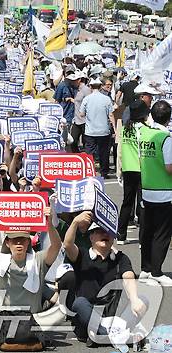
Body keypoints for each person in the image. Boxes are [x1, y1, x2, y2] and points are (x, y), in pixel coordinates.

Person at [0, 208, 66, 340]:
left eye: (22, 240)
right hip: (4, 317)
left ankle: (23, 332)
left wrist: (49, 223)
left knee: (61, 313)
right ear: (7, 243)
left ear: (28, 242)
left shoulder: (38, 260)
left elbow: (56, 246)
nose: (18, 243)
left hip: (32, 319)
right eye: (14, 240)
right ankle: (6, 331)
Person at [63, 212, 147, 346]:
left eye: (108, 232)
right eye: (99, 231)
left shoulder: (120, 257)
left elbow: (128, 276)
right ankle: (112, 336)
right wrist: (75, 223)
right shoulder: (82, 255)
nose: (105, 234)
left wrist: (135, 299)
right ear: (91, 237)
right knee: (79, 303)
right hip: (89, 316)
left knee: (143, 299)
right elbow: (67, 245)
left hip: (114, 317)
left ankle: (103, 336)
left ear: (113, 238)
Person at [138, 99, 172, 286]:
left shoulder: (144, 133)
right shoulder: (165, 137)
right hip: (164, 192)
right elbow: (169, 168)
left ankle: (146, 268)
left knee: (148, 232)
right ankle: (157, 272)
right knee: (162, 234)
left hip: (147, 189)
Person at [117, 100, 148, 244]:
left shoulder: (125, 128)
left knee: (127, 202)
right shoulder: (143, 129)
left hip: (128, 169)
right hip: (141, 169)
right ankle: (143, 239)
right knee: (142, 203)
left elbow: (120, 151)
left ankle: (121, 235)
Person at [80, 77, 114, 178]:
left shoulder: (87, 99)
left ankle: (89, 171)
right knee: (104, 153)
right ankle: (104, 172)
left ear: (90, 86)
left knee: (89, 152)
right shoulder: (106, 99)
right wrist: (115, 129)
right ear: (100, 87)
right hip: (104, 130)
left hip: (90, 130)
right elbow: (111, 115)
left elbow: (81, 114)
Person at [69, 72, 92, 153]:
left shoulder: (86, 90)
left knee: (87, 142)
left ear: (79, 80)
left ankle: (87, 159)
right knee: (72, 140)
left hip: (85, 120)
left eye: (74, 80)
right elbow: (78, 101)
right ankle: (77, 156)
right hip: (77, 120)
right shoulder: (76, 90)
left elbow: (90, 103)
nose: (72, 82)